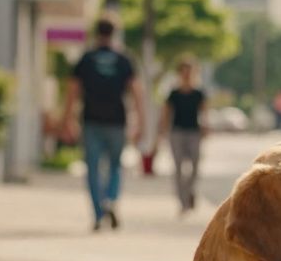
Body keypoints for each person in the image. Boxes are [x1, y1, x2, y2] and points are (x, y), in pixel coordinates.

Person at [61, 18, 145, 231]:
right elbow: (136, 92)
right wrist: (140, 121)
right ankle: (111, 199)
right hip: (117, 121)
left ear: (96, 33)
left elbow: (72, 91)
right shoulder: (124, 59)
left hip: (91, 121)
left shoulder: (86, 59)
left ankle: (98, 213)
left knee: (92, 168)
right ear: (114, 33)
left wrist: (67, 119)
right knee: (115, 166)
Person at [157, 58, 209, 215]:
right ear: (179, 73)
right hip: (177, 132)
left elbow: (204, 112)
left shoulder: (199, 93)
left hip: (194, 132)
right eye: (184, 71)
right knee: (178, 167)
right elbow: (166, 113)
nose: (187, 74)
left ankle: (190, 191)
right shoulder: (173, 94)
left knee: (195, 166)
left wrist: (206, 127)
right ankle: (183, 201)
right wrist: (162, 131)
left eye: (190, 71)